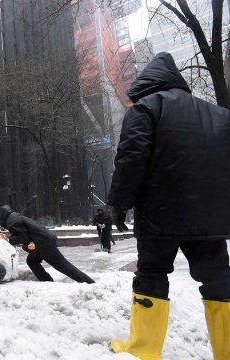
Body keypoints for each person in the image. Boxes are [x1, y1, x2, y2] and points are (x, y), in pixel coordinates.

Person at [107, 52, 230, 360]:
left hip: (160, 214)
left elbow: (131, 160)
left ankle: (143, 350)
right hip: (209, 217)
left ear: (146, 82)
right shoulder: (219, 115)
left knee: (151, 274)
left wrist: (119, 205)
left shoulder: (146, 109)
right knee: (219, 279)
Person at [0, 205, 95, 284]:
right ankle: (46, 281)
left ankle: (88, 282)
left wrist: (8, 239)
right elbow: (23, 234)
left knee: (62, 264)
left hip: (43, 244)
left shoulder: (12, 221)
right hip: (41, 242)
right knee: (32, 261)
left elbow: (22, 237)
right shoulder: (15, 217)